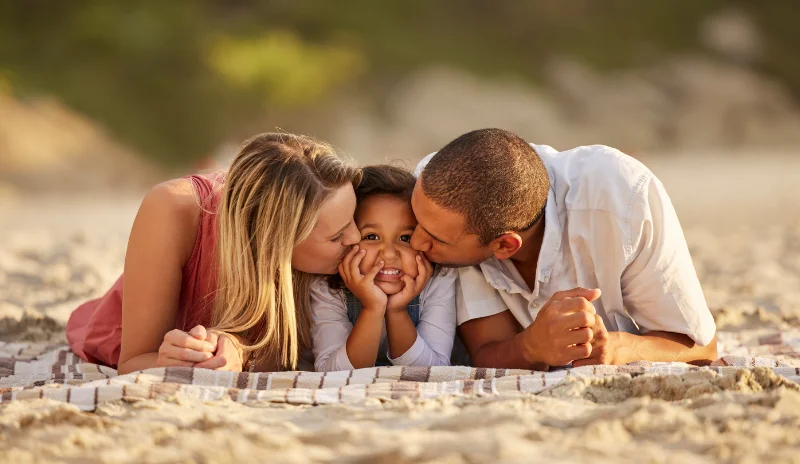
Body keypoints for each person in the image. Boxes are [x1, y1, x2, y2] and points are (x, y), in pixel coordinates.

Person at [410, 128, 717, 370]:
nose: (415, 242)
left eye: (435, 239)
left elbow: (701, 346)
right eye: (415, 223)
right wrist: (529, 347)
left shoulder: (623, 200)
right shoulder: (434, 188)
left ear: (504, 245)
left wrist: (615, 348)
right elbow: (485, 353)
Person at [66, 132, 362, 374]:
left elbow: (286, 353)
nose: (357, 238)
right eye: (338, 236)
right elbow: (133, 362)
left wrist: (239, 353)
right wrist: (199, 358)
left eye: (355, 221)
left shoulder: (328, 249)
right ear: (277, 240)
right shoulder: (172, 208)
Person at [311, 165, 457, 371]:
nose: (389, 253)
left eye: (405, 238)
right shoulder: (328, 286)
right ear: (349, 237)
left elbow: (434, 370)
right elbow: (331, 373)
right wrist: (372, 308)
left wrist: (397, 312)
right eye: (371, 237)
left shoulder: (439, 280)